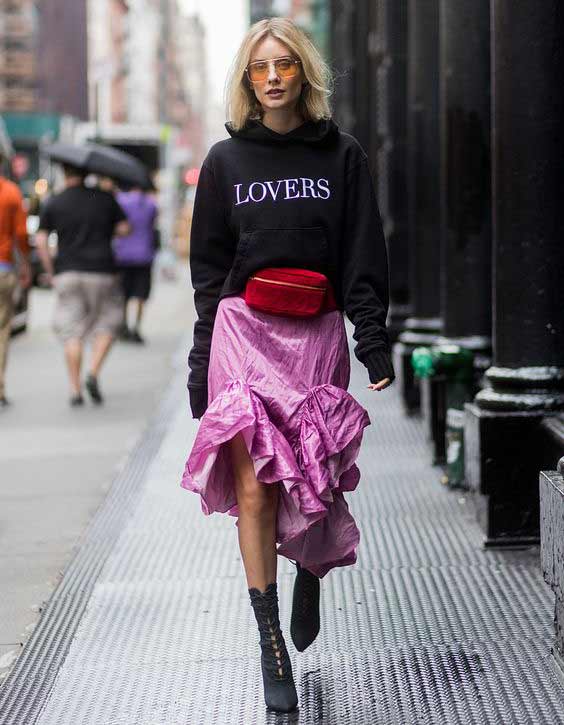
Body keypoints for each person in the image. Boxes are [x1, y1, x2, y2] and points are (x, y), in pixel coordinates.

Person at [181, 17, 394, 713]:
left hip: (317, 334)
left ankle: (310, 565)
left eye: (284, 65)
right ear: (247, 80)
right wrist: (198, 361)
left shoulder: (344, 156)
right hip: (243, 333)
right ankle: (270, 640)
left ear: (305, 72)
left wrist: (373, 340)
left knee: (315, 475)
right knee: (255, 489)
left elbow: (364, 253)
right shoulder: (223, 162)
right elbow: (209, 273)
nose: (272, 77)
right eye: (259, 68)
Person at [36, 164, 131, 406]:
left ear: (65, 174)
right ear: (86, 172)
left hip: (68, 272)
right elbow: (124, 228)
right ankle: (93, 372)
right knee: (110, 322)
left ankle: (75, 389)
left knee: (72, 332)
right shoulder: (104, 198)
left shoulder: (54, 201)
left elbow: (40, 239)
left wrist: (51, 271)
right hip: (102, 271)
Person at [0, 161, 31, 407]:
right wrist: (26, 266)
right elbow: (21, 234)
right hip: (3, 269)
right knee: (2, 330)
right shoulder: (10, 192)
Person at [113, 185, 158, 343]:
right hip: (144, 255)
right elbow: (152, 225)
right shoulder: (151, 204)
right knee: (140, 294)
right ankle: (136, 328)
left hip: (123, 255)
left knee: (124, 294)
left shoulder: (120, 201)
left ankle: (123, 326)